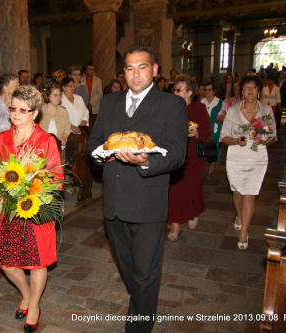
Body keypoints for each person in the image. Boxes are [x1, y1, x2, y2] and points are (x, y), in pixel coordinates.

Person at [87, 45, 187, 333]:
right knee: (130, 270)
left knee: (144, 273)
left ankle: (138, 326)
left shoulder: (171, 105)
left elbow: (178, 153)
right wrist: (100, 154)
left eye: (142, 67)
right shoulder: (109, 102)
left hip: (147, 201)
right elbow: (96, 141)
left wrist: (146, 161)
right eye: (130, 68)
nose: (136, 74)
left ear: (155, 70)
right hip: (114, 204)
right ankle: (144, 302)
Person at [0, 85, 63, 333]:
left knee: (37, 263)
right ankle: (25, 294)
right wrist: (4, 191)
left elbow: (56, 178)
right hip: (10, 210)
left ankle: (33, 306)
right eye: (13, 108)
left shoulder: (46, 141)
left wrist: (34, 189)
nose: (16, 114)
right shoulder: (2, 138)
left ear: (34, 113)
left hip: (36, 210)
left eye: (23, 110)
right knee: (7, 263)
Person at [220, 75, 276, 250]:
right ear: (242, 91)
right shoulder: (233, 110)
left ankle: (244, 231)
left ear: (259, 91)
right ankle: (239, 214)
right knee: (237, 192)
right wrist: (237, 140)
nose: (250, 90)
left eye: (253, 87)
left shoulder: (266, 110)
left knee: (249, 194)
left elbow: (273, 136)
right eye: (247, 87)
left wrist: (264, 140)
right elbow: (224, 137)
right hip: (236, 155)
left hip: (257, 155)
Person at [167, 75, 211, 241]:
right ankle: (175, 225)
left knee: (192, 188)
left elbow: (207, 131)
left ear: (189, 92)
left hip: (194, 154)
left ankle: (193, 212)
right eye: (174, 89)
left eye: (179, 90)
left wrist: (196, 132)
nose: (175, 92)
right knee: (174, 190)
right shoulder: (170, 107)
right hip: (175, 153)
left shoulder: (199, 109)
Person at [38, 81, 71, 146]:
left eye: (60, 95)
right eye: (55, 95)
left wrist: (64, 137)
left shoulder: (64, 112)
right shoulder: (40, 112)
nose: (58, 97)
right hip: (43, 146)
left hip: (59, 146)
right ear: (48, 96)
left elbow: (67, 129)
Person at [200, 82, 223, 177]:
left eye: (209, 90)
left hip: (215, 130)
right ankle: (203, 167)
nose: (207, 92)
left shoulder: (220, 102)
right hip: (203, 129)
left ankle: (211, 170)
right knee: (203, 149)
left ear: (214, 91)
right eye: (205, 90)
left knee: (214, 148)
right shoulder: (201, 102)